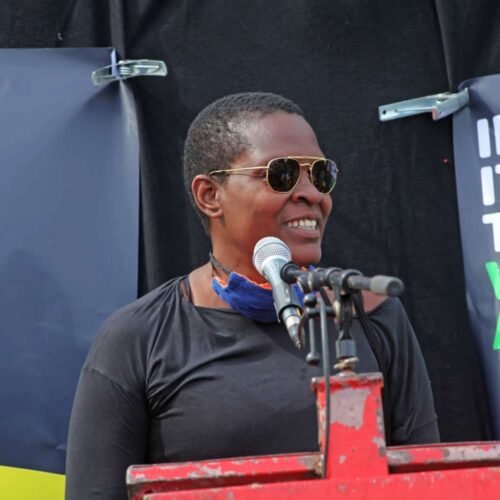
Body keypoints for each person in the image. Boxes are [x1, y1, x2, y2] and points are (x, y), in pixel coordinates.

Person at [65, 92, 439, 499]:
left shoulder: (368, 312)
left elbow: (427, 483)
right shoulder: (140, 337)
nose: (312, 194)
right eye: (282, 174)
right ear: (210, 195)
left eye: (320, 175)